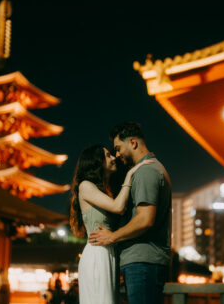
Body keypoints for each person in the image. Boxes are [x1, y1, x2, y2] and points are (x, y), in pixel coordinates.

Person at [89, 121, 172, 304]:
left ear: (133, 142)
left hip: (143, 262)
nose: (117, 155)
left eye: (118, 148)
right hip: (145, 261)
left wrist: (112, 236)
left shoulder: (146, 172)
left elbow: (145, 219)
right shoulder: (148, 169)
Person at [69, 144, 152, 304]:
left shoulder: (105, 190)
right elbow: (118, 207)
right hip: (97, 253)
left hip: (108, 253)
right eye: (107, 155)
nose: (114, 157)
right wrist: (130, 175)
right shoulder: (86, 186)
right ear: (96, 162)